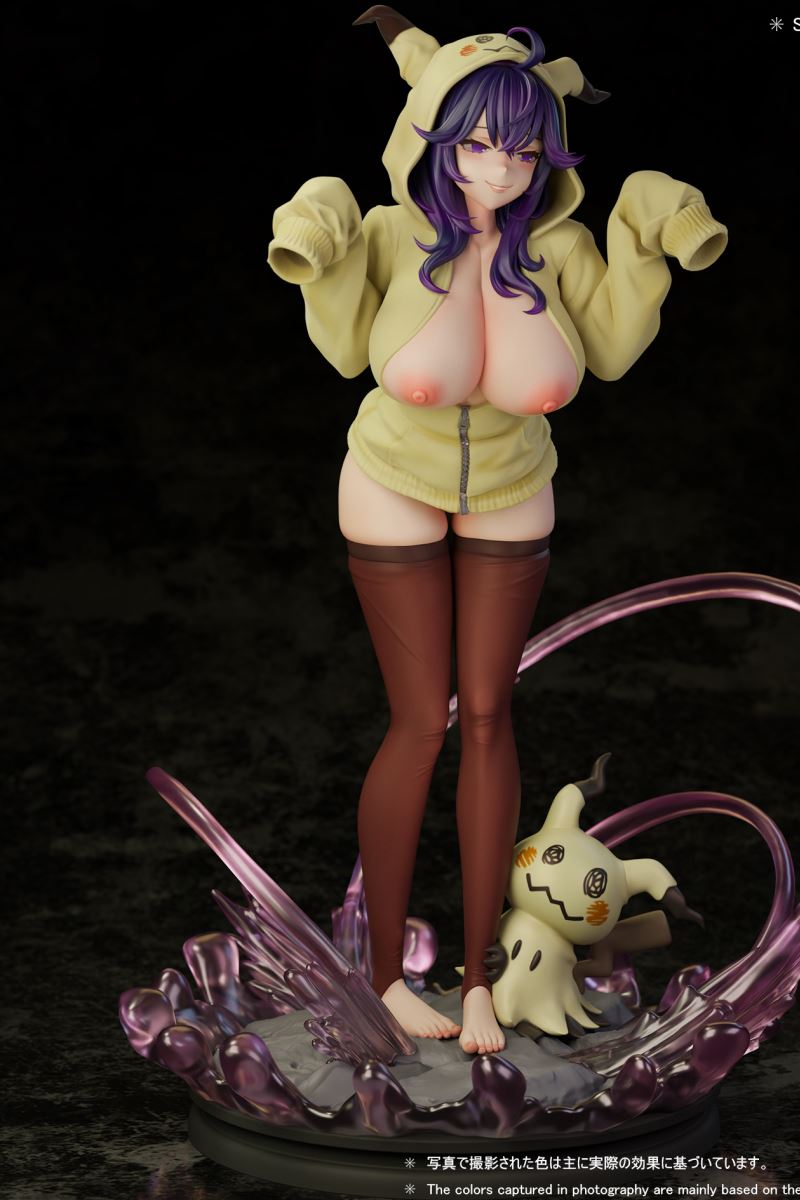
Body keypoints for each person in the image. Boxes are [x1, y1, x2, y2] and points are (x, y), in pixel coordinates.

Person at [267, 10, 727, 1055]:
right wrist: (319, 236)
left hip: (515, 482)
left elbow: (609, 351)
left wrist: (646, 238)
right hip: (391, 477)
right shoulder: (393, 235)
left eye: (523, 149)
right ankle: (386, 979)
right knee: (419, 723)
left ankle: (479, 982)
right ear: (435, 139)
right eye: (477, 143)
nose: (500, 168)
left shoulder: (554, 248)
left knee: (487, 717)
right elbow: (344, 346)